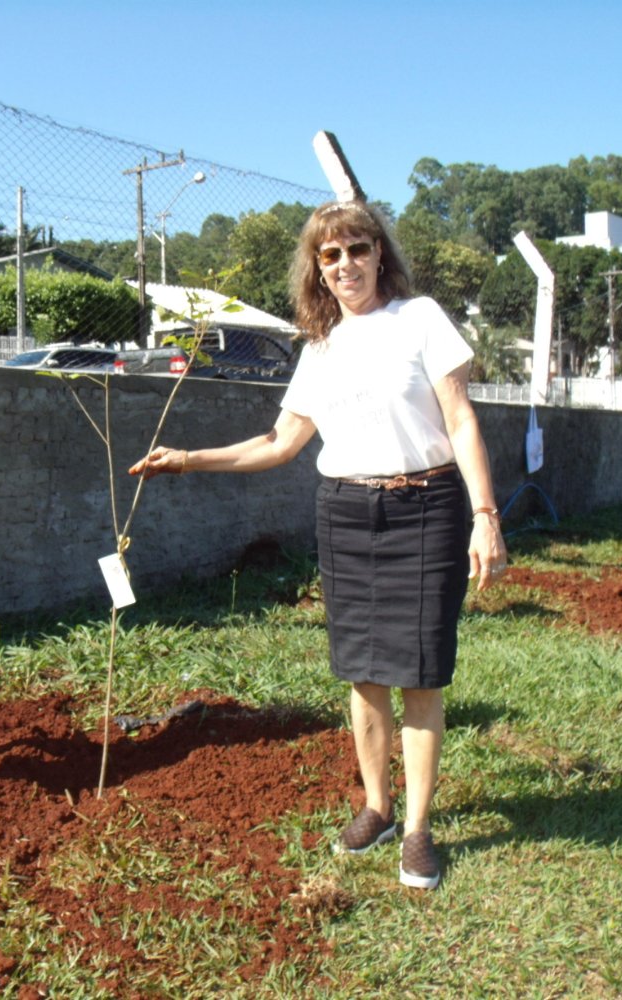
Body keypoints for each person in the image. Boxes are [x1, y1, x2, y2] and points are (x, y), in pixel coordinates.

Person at [129, 200, 506, 890]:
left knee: (420, 673)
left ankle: (418, 831)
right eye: (329, 256)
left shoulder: (419, 319)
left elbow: (458, 418)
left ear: (379, 254)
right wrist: (188, 458)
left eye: (356, 249)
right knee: (363, 672)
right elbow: (280, 443)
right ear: (316, 268)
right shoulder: (320, 348)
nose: (344, 265)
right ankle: (377, 808)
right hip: (346, 512)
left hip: (425, 507)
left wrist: (485, 515)